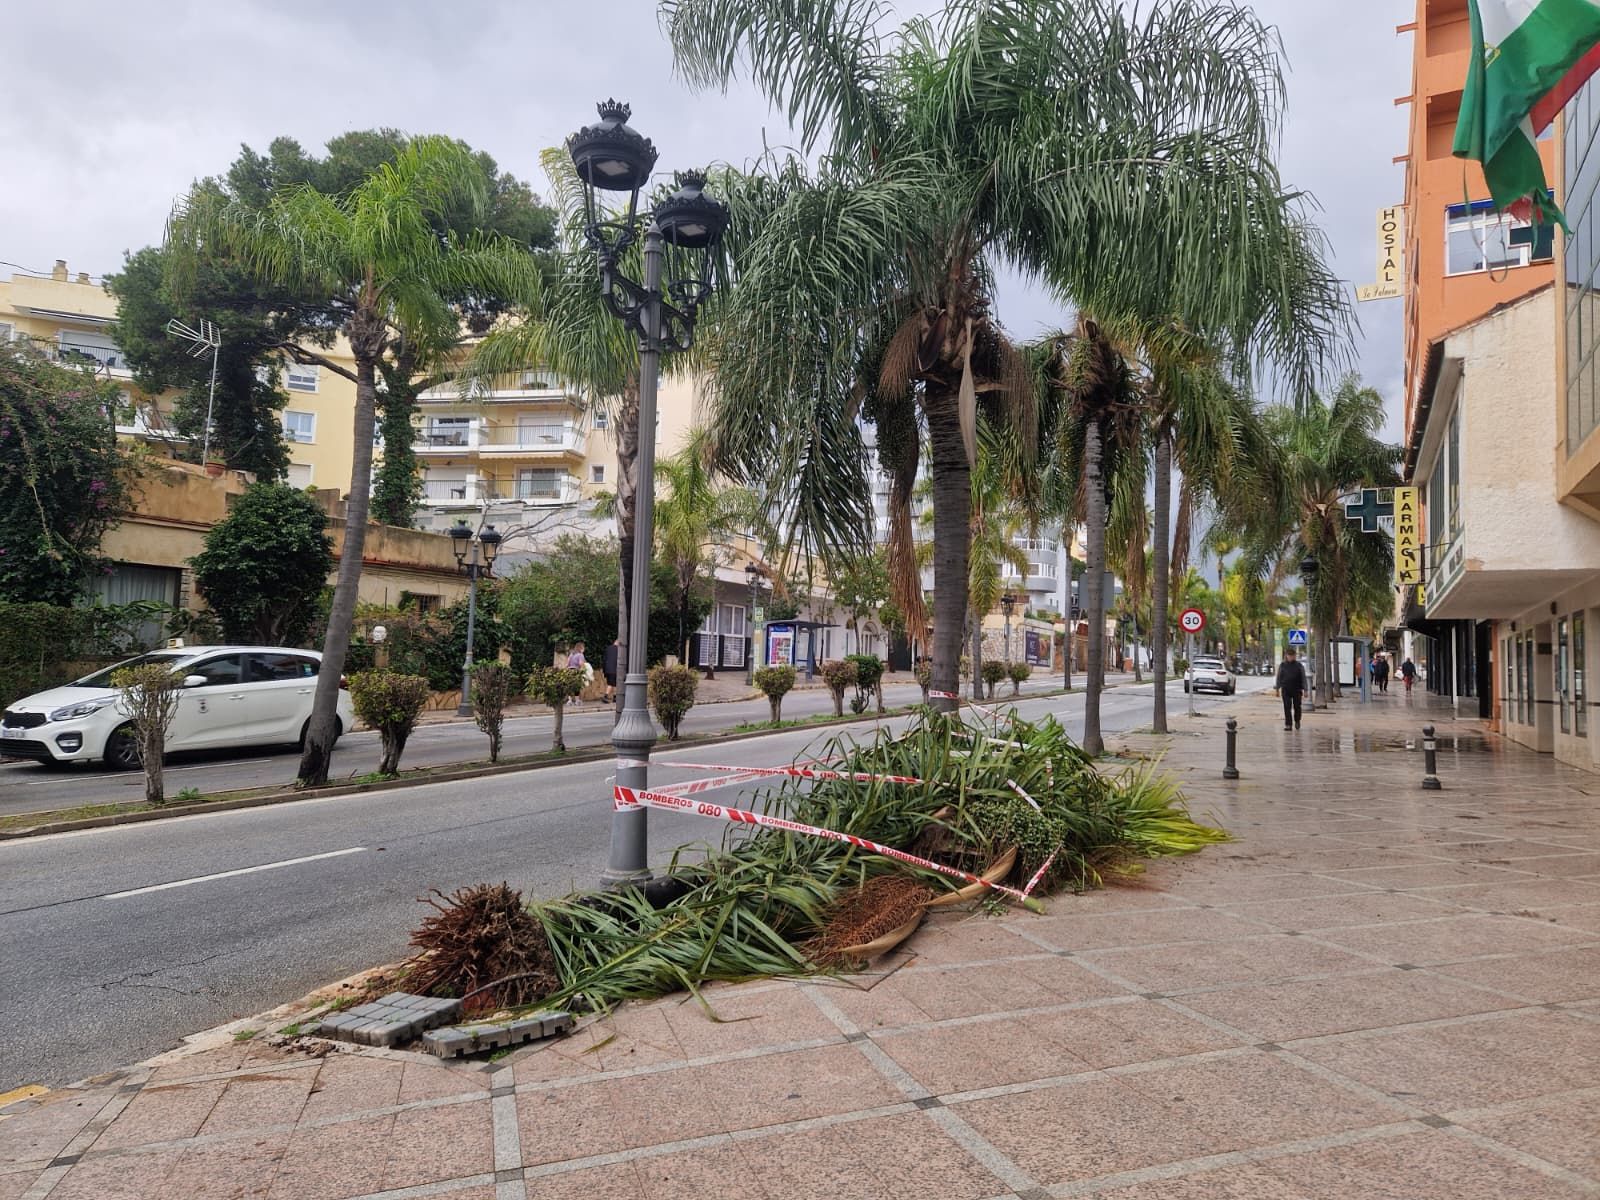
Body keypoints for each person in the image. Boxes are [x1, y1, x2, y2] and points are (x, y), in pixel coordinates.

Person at [1275, 647, 1307, 731]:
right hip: (1286, 689)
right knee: (1287, 707)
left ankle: (1297, 720)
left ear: (1295, 656)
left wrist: (1305, 690)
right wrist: (1277, 689)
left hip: (1297, 689)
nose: (1291, 657)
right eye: (1289, 655)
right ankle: (1288, 724)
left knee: (1297, 706)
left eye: (1293, 656)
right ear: (1286, 656)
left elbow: (1303, 678)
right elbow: (1279, 677)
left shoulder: (1299, 666)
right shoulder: (1282, 665)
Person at [603, 638, 620, 705]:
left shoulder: (608, 648)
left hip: (607, 669)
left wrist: (604, 670)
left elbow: (604, 659)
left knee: (615, 683)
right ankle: (605, 696)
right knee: (612, 684)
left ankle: (615, 697)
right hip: (615, 669)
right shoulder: (619, 650)